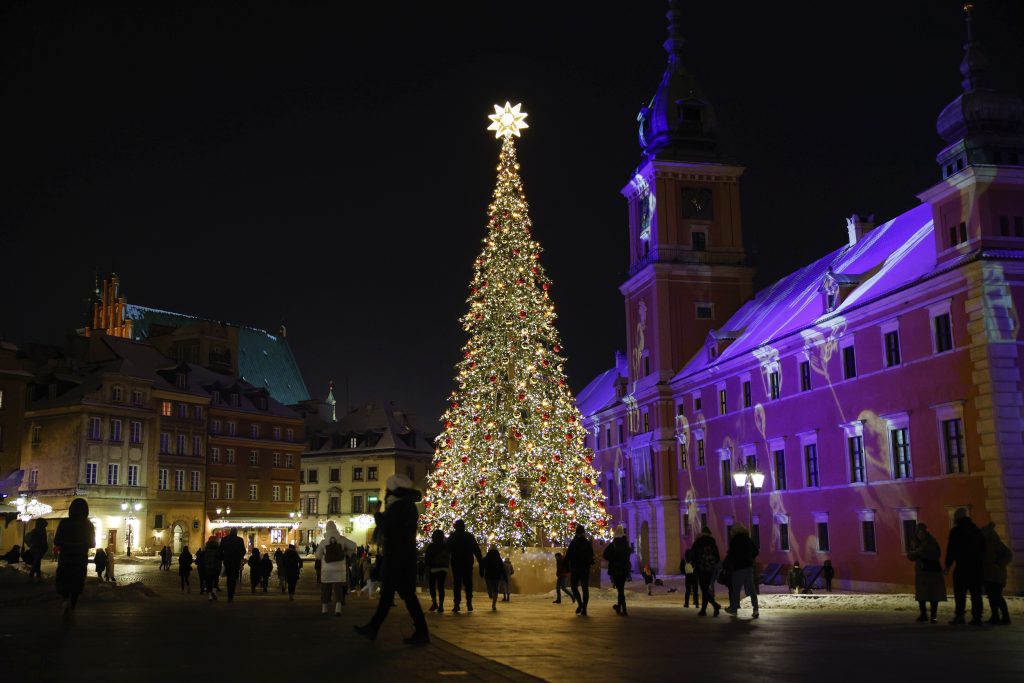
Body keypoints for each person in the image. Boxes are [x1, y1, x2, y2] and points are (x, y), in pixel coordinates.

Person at [354, 474, 430, 645]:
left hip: (398, 558)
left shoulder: (399, 506)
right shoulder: (406, 505)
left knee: (402, 596)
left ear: (394, 490)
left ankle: (421, 632)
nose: (386, 492)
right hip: (402, 556)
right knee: (393, 596)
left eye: (388, 489)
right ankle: (374, 628)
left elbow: (389, 528)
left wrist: (377, 514)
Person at [53, 498, 96, 615]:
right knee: (77, 583)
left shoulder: (64, 523)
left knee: (64, 581)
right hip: (80, 559)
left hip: (66, 558)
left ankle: (65, 600)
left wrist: (67, 545)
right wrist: (80, 545)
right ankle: (72, 606)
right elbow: (92, 543)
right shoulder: (88, 525)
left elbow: (57, 541)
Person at [945, 507, 985, 625]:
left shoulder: (956, 531)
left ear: (957, 518)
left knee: (960, 593)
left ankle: (960, 616)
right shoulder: (976, 530)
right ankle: (977, 617)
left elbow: (951, 549)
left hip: (962, 566)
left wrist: (948, 565)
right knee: (976, 594)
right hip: (976, 567)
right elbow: (983, 548)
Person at [907, 523, 946, 623]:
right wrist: (915, 552)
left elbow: (936, 554)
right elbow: (910, 556)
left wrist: (922, 552)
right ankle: (923, 614)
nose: (920, 534)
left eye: (922, 532)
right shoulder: (914, 541)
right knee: (921, 595)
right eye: (918, 532)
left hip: (933, 571)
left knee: (934, 594)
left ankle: (933, 616)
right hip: (921, 572)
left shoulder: (931, 541)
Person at [316, 520, 356, 615]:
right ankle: (338, 609)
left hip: (327, 570)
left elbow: (318, 556)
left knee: (325, 588)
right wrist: (346, 554)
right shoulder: (342, 539)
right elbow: (353, 546)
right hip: (339, 569)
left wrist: (324, 557)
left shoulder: (323, 542)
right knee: (338, 589)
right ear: (335, 528)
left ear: (326, 529)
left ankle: (324, 609)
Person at [446, 518, 483, 613]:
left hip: (456, 563)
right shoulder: (469, 536)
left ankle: (457, 604)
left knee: (457, 584)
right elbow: (476, 550)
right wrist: (480, 562)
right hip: (467, 562)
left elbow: (447, 549)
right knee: (468, 583)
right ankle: (469, 602)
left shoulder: (453, 536)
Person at [724, 523, 759, 618]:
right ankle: (756, 609)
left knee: (736, 589)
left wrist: (731, 564)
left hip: (738, 568)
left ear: (735, 531)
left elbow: (731, 555)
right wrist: (750, 559)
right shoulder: (748, 539)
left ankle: (734, 609)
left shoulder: (734, 540)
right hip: (749, 567)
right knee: (751, 589)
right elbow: (756, 551)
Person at [980, 522, 1012, 625]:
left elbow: (1008, 555)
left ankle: (1004, 617)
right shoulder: (986, 545)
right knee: (992, 596)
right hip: (990, 574)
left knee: (996, 596)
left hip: (995, 575)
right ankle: (996, 616)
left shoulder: (995, 544)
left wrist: (999, 564)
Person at [565, 524, 594, 616]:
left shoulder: (574, 542)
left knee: (574, 587)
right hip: (585, 568)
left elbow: (568, 555)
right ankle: (584, 608)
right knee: (585, 588)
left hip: (575, 568)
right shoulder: (587, 543)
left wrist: (565, 564)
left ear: (577, 533)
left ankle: (580, 604)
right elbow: (591, 555)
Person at [692, 526, 721, 617]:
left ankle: (714, 606)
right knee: (706, 588)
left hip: (701, 568)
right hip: (710, 568)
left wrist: (694, 564)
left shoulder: (698, 542)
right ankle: (705, 609)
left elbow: (693, 554)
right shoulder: (712, 541)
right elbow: (717, 555)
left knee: (704, 588)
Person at [603, 525, 632, 616]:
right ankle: (619, 607)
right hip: (624, 570)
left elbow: (605, 555)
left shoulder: (614, 544)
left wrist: (613, 558)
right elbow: (628, 555)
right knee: (621, 589)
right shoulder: (626, 545)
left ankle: (624, 609)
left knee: (620, 590)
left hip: (615, 570)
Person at [424, 528, 450, 613]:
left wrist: (427, 568)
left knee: (432, 586)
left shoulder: (431, 546)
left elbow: (427, 558)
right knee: (441, 586)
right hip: (444, 568)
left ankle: (435, 603)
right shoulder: (445, 546)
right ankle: (441, 605)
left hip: (434, 568)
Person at [219, 528, 246, 602]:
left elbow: (220, 550)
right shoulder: (239, 540)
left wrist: (223, 558)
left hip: (227, 561)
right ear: (236, 532)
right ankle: (231, 594)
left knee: (229, 577)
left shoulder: (225, 539)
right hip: (236, 561)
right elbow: (243, 551)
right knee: (234, 577)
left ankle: (229, 594)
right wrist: (239, 556)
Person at [481, 544, 505, 611]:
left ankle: (490, 593)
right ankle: (494, 604)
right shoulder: (498, 559)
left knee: (489, 587)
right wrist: (503, 576)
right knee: (495, 590)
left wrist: (481, 573)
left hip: (488, 575)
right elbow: (501, 568)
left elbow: (482, 565)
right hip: (496, 576)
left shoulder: (487, 558)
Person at [202, 536, 222, 601]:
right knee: (215, 580)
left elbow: (204, 559)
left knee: (209, 581)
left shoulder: (206, 549)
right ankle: (214, 592)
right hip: (216, 567)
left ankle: (210, 596)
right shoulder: (217, 549)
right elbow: (220, 558)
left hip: (208, 567)